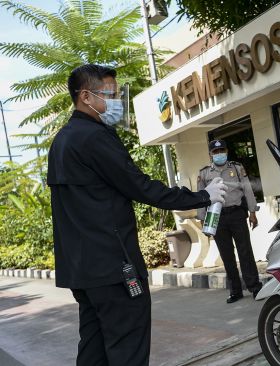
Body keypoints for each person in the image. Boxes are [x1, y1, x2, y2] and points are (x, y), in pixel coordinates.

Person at [48, 64, 226, 366]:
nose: (117, 101)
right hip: (114, 268)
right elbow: (139, 186)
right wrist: (202, 197)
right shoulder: (94, 137)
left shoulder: (62, 141)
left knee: (94, 350)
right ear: (86, 97)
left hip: (83, 272)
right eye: (111, 95)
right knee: (128, 349)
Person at [197, 139, 262, 303]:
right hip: (216, 218)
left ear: (226, 151)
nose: (219, 154)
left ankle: (255, 287)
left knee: (245, 251)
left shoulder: (237, 168)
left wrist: (252, 212)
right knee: (227, 255)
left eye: (222, 151)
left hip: (237, 214)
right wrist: (202, 219)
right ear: (210, 154)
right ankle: (235, 290)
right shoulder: (204, 173)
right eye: (216, 152)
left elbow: (247, 189)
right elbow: (201, 198)